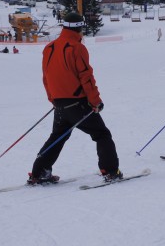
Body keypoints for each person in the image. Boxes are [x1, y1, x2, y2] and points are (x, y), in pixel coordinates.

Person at [28, 12, 122, 184]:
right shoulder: (77, 48)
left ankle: (39, 172)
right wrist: (95, 102)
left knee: (57, 137)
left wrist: (54, 100)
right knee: (102, 134)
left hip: (60, 104)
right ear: (80, 28)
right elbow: (86, 77)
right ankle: (110, 171)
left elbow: (46, 77)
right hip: (78, 103)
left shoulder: (49, 47)